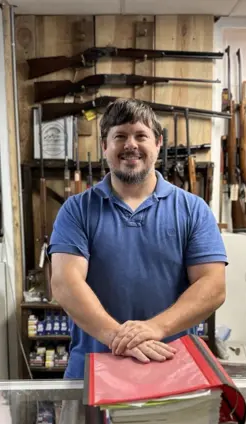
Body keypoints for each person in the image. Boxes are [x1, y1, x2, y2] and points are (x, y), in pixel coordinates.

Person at [48, 98, 227, 380]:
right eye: (119, 136)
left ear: (157, 144)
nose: (130, 144)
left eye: (140, 135)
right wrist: (117, 337)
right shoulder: (77, 209)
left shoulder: (193, 210)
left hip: (173, 370)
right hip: (94, 370)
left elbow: (213, 285)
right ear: (105, 147)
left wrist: (156, 328)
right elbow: (65, 282)